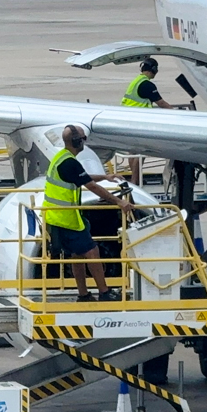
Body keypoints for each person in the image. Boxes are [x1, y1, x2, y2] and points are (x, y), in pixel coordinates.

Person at [43, 125, 136, 301]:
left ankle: (83, 294)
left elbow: (82, 176)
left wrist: (106, 177)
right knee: (92, 251)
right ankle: (104, 293)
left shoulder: (62, 158)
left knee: (77, 255)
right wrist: (119, 202)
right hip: (66, 218)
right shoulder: (69, 162)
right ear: (78, 141)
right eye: (84, 139)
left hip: (58, 216)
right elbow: (91, 186)